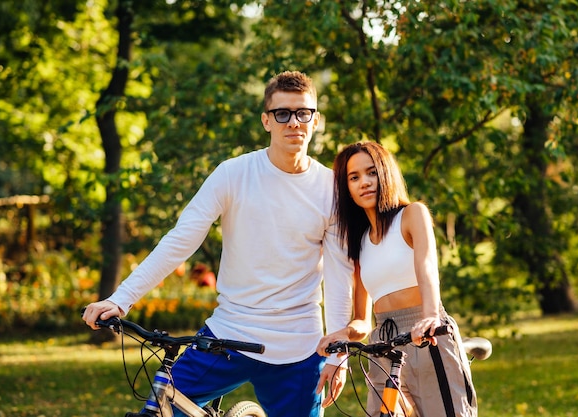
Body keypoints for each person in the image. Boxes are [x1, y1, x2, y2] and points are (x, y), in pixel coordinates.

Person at [82, 70, 354, 417]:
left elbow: (340, 275)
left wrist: (338, 351)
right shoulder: (233, 174)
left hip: (298, 348)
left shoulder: (331, 189)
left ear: (317, 121)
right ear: (266, 121)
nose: (293, 123)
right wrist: (121, 299)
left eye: (304, 113)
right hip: (227, 335)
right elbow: (180, 240)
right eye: (282, 113)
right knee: (160, 410)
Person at [316, 141, 477, 416]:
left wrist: (429, 317)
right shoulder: (359, 243)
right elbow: (362, 322)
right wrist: (340, 336)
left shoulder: (412, 214)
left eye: (371, 172)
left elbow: (427, 267)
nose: (364, 182)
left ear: (385, 172)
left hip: (427, 334)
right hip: (383, 343)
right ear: (347, 189)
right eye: (354, 177)